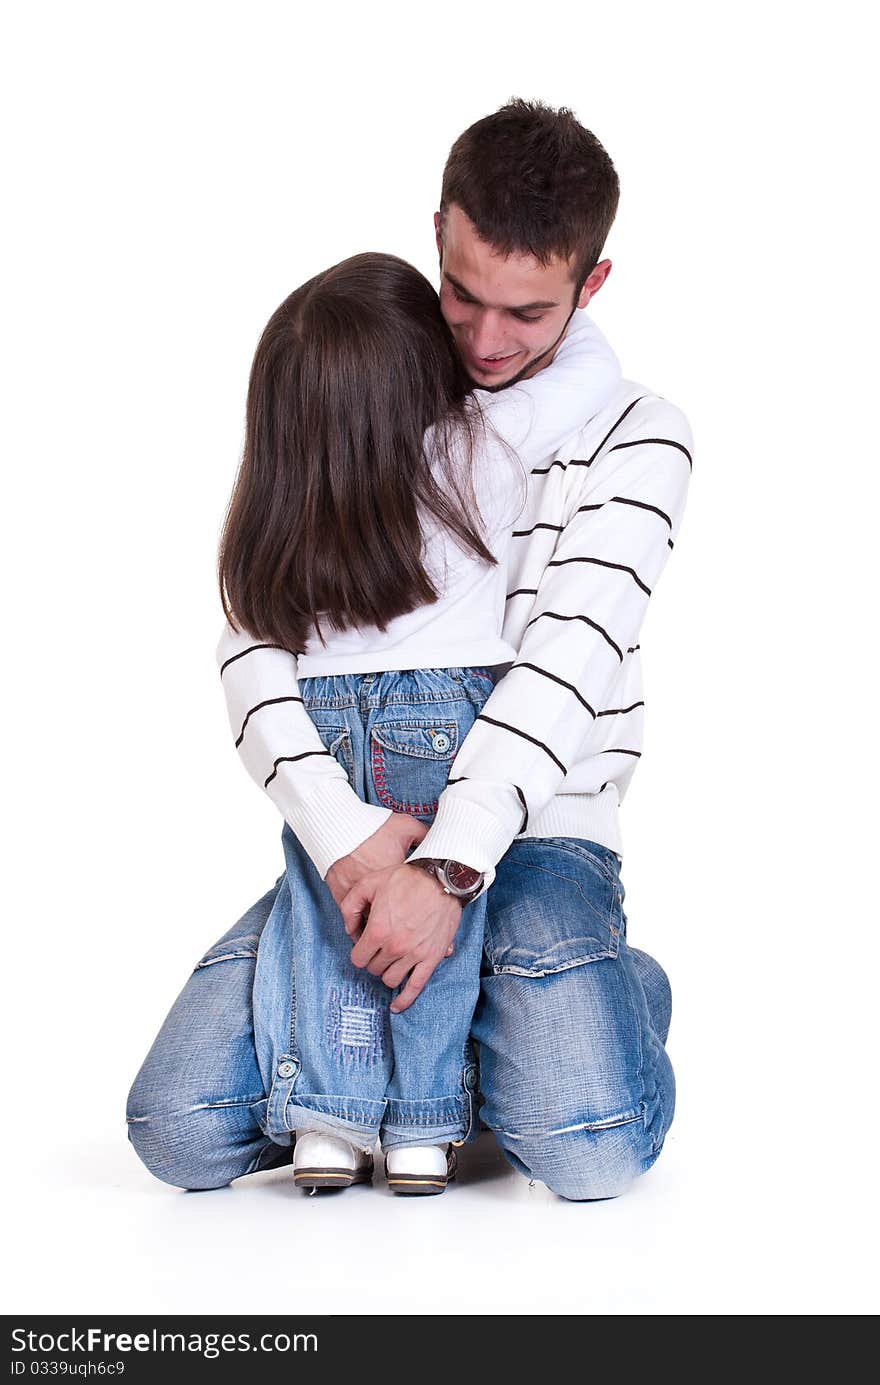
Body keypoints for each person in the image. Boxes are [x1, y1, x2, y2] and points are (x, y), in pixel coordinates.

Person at [127, 99, 692, 1202]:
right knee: (179, 1126)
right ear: (437, 233)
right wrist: (350, 847)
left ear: (593, 282)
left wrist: (444, 870)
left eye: (525, 312)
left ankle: (597, 996)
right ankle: (497, 1038)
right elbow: (257, 637)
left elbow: (563, 665)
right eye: (462, 294)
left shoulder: (635, 431)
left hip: (540, 831)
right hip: (370, 827)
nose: (483, 341)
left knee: (588, 1147)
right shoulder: (380, 378)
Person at [213, 251, 619, 1193]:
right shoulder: (476, 446)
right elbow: (589, 379)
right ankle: (424, 1132)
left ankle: (327, 1124)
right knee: (442, 933)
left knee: (332, 922)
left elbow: (248, 643)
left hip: (323, 727)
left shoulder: (288, 499)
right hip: (443, 717)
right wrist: (568, 307)